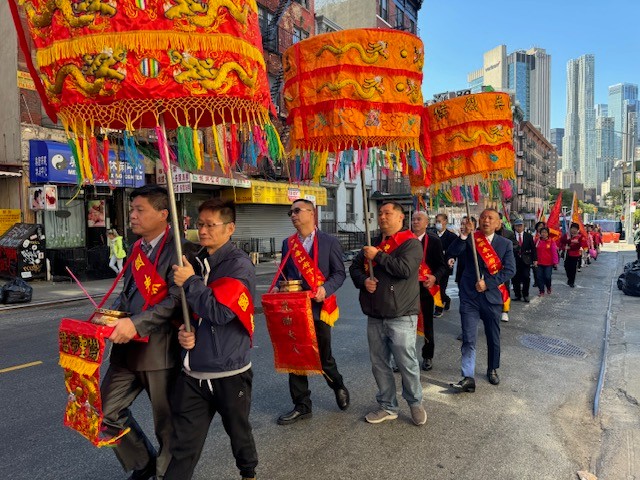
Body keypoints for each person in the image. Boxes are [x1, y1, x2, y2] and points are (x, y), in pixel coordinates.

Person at [100, 185, 196, 480]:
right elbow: (128, 294)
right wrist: (111, 315)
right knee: (103, 413)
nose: (132, 216)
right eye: (131, 210)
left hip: (161, 350)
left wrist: (136, 324)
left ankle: (167, 474)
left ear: (163, 214)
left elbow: (174, 301)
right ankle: (143, 463)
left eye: (140, 210)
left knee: (166, 425)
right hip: (127, 349)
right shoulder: (136, 248)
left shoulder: (180, 251)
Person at [166, 199, 258, 480]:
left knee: (238, 432)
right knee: (183, 446)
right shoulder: (195, 260)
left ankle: (248, 473)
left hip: (229, 371)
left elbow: (219, 312)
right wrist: (184, 329)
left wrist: (191, 281)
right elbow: (189, 310)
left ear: (229, 228)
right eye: (199, 224)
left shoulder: (238, 266)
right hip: (193, 372)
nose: (202, 231)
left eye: (210, 225)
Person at [349, 201, 427, 426]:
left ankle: (415, 402)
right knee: (379, 362)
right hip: (375, 312)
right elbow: (354, 268)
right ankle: (387, 405)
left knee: (406, 362)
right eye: (380, 213)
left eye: (388, 213)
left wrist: (378, 257)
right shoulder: (372, 242)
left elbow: (404, 270)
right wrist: (364, 281)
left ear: (401, 218)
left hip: (401, 313)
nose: (382, 217)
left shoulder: (410, 244)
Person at [276, 199, 349, 425]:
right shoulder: (288, 244)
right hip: (295, 309)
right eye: (291, 212)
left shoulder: (329, 242)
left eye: (297, 211)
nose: (293, 215)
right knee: (295, 356)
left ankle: (337, 384)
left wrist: (325, 289)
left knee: (323, 357)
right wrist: (282, 284)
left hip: (319, 308)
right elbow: (283, 274)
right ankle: (302, 405)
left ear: (312, 213)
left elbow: (339, 273)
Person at [447, 208, 516, 392]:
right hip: (469, 296)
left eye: (490, 218)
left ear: (498, 223)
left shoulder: (505, 244)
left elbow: (510, 270)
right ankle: (468, 376)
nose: (486, 220)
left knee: (493, 336)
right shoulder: (471, 238)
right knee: (469, 338)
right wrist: (463, 235)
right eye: (483, 217)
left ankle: (492, 368)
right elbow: (452, 252)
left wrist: (489, 283)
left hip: (492, 297)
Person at [410, 211, 447, 371]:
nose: (415, 222)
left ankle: (427, 356)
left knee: (427, 324)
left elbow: (442, 266)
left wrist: (434, 277)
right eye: (413, 219)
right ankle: (404, 358)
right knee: (404, 325)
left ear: (426, 223)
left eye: (419, 219)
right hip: (407, 289)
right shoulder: (404, 239)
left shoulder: (433, 241)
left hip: (426, 288)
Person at [433, 213, 458, 317]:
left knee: (441, 288)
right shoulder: (431, 234)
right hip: (433, 266)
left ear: (445, 222)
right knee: (434, 287)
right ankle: (446, 300)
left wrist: (451, 259)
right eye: (436, 221)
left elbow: (455, 251)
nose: (438, 224)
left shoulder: (451, 236)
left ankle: (439, 308)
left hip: (445, 267)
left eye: (439, 221)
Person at [496, 214, 517, 322]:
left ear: (500, 220)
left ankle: (505, 310)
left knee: (505, 288)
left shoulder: (508, 234)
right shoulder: (485, 234)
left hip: (503, 266)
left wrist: (504, 248)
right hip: (489, 266)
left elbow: (516, 245)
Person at [512, 219, 536, 302]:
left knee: (526, 277)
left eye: (520, 226)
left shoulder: (528, 236)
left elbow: (533, 248)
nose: (519, 228)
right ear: (514, 227)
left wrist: (535, 259)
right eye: (517, 226)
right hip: (514, 260)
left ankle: (526, 294)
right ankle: (517, 294)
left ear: (523, 226)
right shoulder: (511, 236)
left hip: (526, 260)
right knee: (515, 278)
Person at [560, 223, 587, 288]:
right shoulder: (567, 235)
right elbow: (562, 242)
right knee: (566, 267)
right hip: (566, 254)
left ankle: (572, 281)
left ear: (577, 230)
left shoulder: (580, 236)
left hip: (575, 254)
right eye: (572, 228)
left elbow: (579, 245)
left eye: (575, 229)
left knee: (573, 268)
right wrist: (565, 246)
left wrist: (570, 247)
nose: (573, 230)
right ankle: (569, 278)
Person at [533, 227, 558, 296]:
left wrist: (555, 262)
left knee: (547, 277)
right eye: (542, 232)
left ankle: (548, 287)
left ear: (548, 234)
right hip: (539, 263)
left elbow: (554, 252)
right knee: (539, 277)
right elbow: (534, 251)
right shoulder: (537, 241)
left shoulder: (551, 241)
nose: (543, 234)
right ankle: (541, 291)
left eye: (545, 232)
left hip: (548, 263)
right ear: (540, 233)